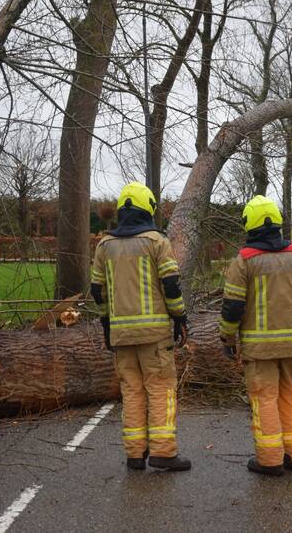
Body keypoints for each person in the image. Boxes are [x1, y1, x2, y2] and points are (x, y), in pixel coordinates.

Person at [90, 182, 191, 471]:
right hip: (155, 334)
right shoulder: (157, 242)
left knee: (132, 392)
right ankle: (163, 451)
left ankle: (135, 454)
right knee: (160, 390)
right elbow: (171, 285)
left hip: (121, 335)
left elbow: (98, 292)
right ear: (149, 208)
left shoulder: (104, 246)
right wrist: (180, 317)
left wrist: (107, 326)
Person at [219, 195, 292, 477]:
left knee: (264, 398)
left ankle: (270, 460)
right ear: (277, 222)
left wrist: (227, 339)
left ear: (249, 225)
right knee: (290, 395)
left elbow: (233, 307)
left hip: (258, 348)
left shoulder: (245, 261)